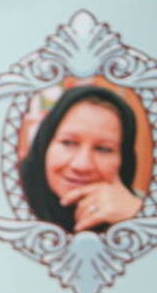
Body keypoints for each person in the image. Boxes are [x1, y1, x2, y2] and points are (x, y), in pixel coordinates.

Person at [18, 85, 143, 233]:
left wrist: (138, 219)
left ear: (124, 160)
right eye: (68, 143)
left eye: (103, 149)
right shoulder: (6, 199)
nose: (82, 165)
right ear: (45, 144)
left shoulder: (144, 208)